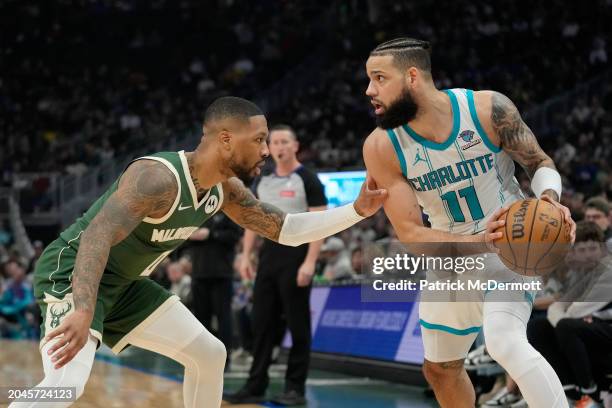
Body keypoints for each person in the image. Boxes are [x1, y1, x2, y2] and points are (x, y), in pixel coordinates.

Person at [12, 96, 386, 408]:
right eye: (258, 140)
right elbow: (96, 238)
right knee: (68, 385)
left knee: (209, 353)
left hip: (126, 285)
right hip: (73, 274)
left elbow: (286, 230)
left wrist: (357, 211)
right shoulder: (156, 178)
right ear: (225, 139)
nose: (265, 151)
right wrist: (83, 308)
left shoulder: (226, 190)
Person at [361, 37, 577, 408]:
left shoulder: (487, 108)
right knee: (441, 369)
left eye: (379, 78)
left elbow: (538, 162)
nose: (369, 90)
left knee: (504, 341)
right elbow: (411, 234)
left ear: (412, 76)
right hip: (451, 253)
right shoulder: (381, 146)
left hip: (512, 244)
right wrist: (479, 242)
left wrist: (549, 201)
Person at [225, 124, 328, 405]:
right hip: (269, 256)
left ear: (295, 146)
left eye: (285, 141)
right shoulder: (264, 180)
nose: (279, 147)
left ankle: (295, 388)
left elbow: (320, 225)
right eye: (275, 142)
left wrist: (309, 263)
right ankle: (255, 385)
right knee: (261, 323)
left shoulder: (308, 179)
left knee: (298, 325)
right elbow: (251, 220)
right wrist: (246, 256)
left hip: (297, 255)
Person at [528, 221, 612, 406]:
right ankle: (568, 387)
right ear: (574, 252)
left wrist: (563, 321)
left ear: (602, 250)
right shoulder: (581, 274)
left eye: (593, 249)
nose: (588, 255)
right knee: (537, 327)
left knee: (567, 327)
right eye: (582, 250)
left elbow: (575, 310)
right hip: (592, 328)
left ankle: (590, 391)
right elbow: (556, 307)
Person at [188, 211, 241, 367]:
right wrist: (189, 236)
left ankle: (225, 358)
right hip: (198, 272)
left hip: (221, 274)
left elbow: (235, 236)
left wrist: (211, 234)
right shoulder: (196, 211)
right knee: (200, 318)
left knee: (223, 317)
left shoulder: (227, 210)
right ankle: (202, 357)